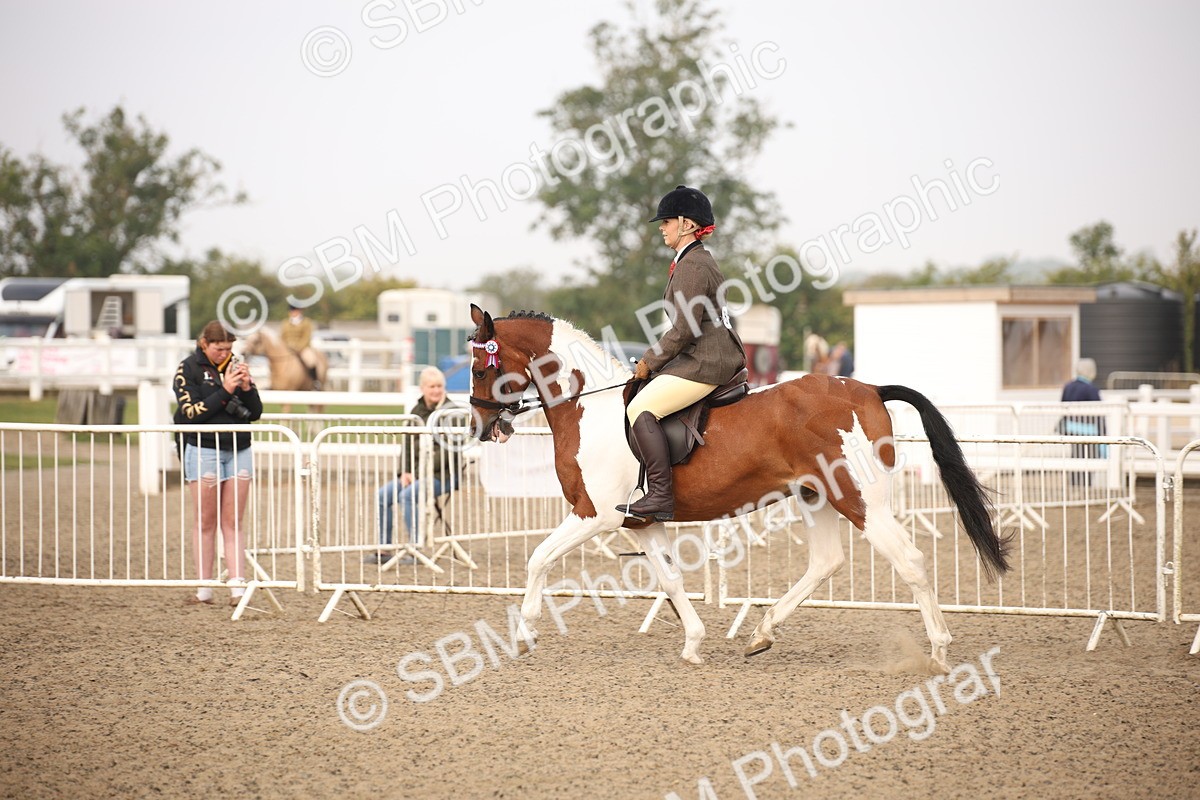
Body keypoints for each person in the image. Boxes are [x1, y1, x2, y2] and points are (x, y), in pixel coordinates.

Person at [616, 185, 747, 522]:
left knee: (641, 406)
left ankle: (660, 495)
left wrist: (650, 361)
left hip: (708, 361)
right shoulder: (690, 261)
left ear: (687, 224)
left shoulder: (693, 266)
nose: (662, 227)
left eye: (667, 222)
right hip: (703, 355)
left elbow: (684, 330)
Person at [173, 320, 263, 606]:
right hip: (203, 449)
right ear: (205, 344)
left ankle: (237, 588)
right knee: (205, 521)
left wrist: (247, 387)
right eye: (219, 349)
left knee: (234, 521)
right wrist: (225, 390)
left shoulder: (235, 366)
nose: (224, 354)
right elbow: (192, 413)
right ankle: (205, 588)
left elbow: (255, 413)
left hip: (239, 448)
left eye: (228, 349)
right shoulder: (187, 369)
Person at [370, 366, 462, 563]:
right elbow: (408, 445)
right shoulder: (416, 411)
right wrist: (405, 471)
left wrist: (418, 474)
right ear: (423, 388)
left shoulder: (453, 412)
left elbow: (448, 453)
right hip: (417, 474)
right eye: (432, 386)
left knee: (408, 495)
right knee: (382, 495)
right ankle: (384, 549)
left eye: (439, 386)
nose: (436, 390)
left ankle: (415, 548)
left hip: (444, 476)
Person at [1058, 357, 1105, 486]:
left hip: (1071, 429)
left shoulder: (1068, 387)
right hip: (1089, 431)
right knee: (1088, 459)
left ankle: (1074, 483)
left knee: (1076, 456)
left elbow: (1063, 406)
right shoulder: (1091, 389)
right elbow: (1099, 413)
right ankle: (1085, 485)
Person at [281, 303, 322, 389]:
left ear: (299, 311)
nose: (294, 312)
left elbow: (306, 337)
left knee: (311, 360)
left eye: (295, 310)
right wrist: (286, 347)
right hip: (288, 349)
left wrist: (298, 348)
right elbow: (282, 337)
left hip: (302, 348)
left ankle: (315, 382)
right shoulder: (285, 323)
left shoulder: (306, 322)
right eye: (292, 311)